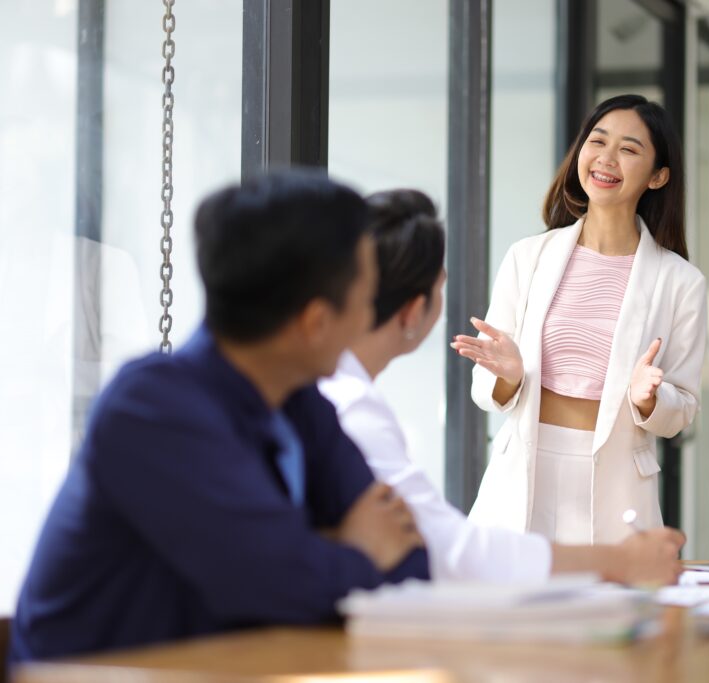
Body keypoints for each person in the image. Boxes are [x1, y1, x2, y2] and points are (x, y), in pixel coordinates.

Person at [9, 171, 428, 666]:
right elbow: (280, 585)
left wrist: (312, 556)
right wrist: (350, 551)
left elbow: (406, 555)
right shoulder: (149, 410)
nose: (367, 319)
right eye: (366, 300)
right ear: (314, 322)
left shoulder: (297, 399)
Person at [321, 189, 686, 585]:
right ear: (413, 310)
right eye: (441, 285)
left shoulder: (328, 394)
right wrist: (619, 561)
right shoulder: (354, 411)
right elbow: (447, 547)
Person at [451, 94, 707, 544]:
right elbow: (484, 390)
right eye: (598, 141)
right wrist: (509, 376)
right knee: (508, 608)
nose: (607, 159)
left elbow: (681, 410)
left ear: (658, 176)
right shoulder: (527, 257)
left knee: (612, 613)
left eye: (629, 149)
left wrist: (649, 398)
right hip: (523, 472)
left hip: (616, 485)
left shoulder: (681, 282)